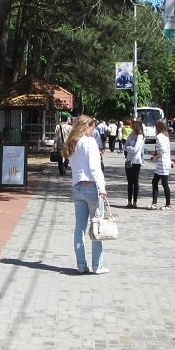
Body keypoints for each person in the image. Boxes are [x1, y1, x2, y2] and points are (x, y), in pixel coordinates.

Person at [62, 115, 108, 275]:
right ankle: (97, 265)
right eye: (92, 128)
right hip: (91, 187)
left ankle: (81, 265)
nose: (93, 131)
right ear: (86, 127)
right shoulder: (89, 142)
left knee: (79, 228)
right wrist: (102, 187)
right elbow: (95, 167)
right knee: (97, 226)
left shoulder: (72, 143)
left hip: (77, 188)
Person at [149, 119, 172, 210]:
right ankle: (155, 203)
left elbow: (162, 151)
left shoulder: (159, 137)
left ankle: (168, 204)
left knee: (164, 183)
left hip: (162, 163)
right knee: (156, 181)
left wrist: (156, 157)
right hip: (163, 163)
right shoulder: (166, 137)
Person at [124, 120, 144, 208]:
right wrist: (129, 148)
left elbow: (136, 149)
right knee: (129, 182)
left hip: (136, 161)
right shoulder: (131, 135)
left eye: (133, 125)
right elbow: (125, 146)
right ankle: (129, 202)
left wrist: (129, 148)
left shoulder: (140, 136)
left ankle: (135, 202)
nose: (131, 126)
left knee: (135, 181)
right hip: (128, 160)